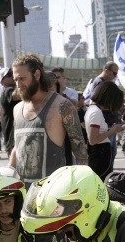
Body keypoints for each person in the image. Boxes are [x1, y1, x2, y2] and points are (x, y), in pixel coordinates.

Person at [8, 54, 87, 185]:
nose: (18, 84)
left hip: (53, 194)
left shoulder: (61, 106)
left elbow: (79, 150)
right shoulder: (17, 109)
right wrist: (8, 176)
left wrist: (83, 183)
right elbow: (18, 147)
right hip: (23, 194)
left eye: (22, 78)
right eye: (16, 80)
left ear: (37, 75)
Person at [83, 80, 125, 180]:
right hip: (100, 154)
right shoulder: (96, 112)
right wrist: (112, 131)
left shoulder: (93, 110)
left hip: (100, 153)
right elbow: (93, 140)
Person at [0, 67, 21, 156]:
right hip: (13, 142)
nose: (13, 75)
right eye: (9, 74)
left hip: (17, 140)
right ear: (3, 82)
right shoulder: (8, 91)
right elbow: (19, 95)